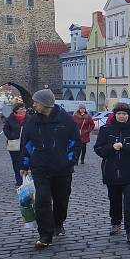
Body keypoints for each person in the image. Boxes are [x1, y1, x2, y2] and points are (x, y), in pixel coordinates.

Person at [20, 89, 81, 249]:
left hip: (62, 170)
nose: (33, 105)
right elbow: (27, 144)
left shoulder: (66, 120)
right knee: (42, 201)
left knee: (61, 200)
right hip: (40, 168)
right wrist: (25, 164)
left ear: (46, 103)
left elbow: (75, 143)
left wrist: (69, 161)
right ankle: (45, 235)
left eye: (36, 102)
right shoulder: (32, 121)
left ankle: (58, 223)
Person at [94, 102, 130, 243]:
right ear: (115, 114)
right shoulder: (106, 130)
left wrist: (125, 147)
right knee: (115, 200)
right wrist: (112, 147)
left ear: (128, 115)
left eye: (124, 114)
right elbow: (99, 149)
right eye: (119, 114)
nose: (122, 116)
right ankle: (116, 222)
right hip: (111, 171)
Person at [3, 102, 27, 186]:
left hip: (26, 144)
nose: (24, 110)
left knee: (25, 162)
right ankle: (19, 180)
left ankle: (26, 179)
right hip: (14, 144)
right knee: (16, 162)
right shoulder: (10, 118)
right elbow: (6, 129)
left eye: (24, 108)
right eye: (21, 109)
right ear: (16, 110)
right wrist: (11, 136)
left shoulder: (29, 118)